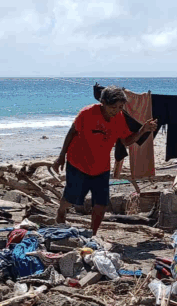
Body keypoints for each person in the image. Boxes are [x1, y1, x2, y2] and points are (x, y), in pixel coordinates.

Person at [52, 86, 157, 235]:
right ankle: (61, 211)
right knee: (71, 198)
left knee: (101, 204)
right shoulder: (87, 113)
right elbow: (72, 132)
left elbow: (126, 141)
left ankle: (92, 234)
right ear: (103, 103)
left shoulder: (119, 118)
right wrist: (61, 156)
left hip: (101, 166)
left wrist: (143, 130)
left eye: (120, 107)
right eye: (113, 107)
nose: (117, 110)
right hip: (78, 163)